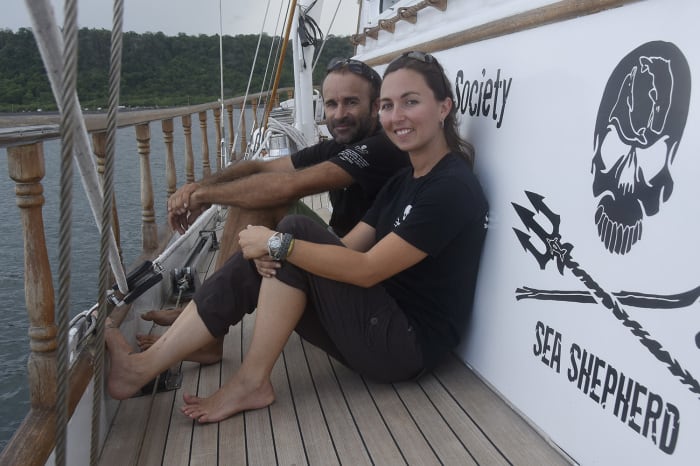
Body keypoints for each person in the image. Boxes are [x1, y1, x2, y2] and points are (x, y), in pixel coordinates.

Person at [105, 51, 488, 424]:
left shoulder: (450, 187)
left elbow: (368, 269)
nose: (395, 116)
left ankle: (247, 380)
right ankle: (148, 366)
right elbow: (347, 248)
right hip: (375, 323)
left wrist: (277, 244)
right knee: (287, 244)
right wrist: (279, 253)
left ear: (443, 108)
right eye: (388, 105)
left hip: (404, 345)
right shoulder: (404, 180)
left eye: (410, 102)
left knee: (290, 233)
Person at [136, 58, 409, 362]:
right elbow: (260, 167)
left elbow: (287, 187)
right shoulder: (338, 146)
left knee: (264, 199)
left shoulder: (380, 149)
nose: (339, 114)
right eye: (331, 104)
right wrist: (197, 188)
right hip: (341, 249)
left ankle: (207, 329)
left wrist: (207, 196)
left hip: (360, 277)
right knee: (256, 197)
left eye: (351, 102)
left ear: (375, 107)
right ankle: (205, 316)